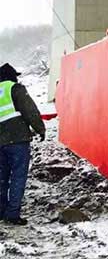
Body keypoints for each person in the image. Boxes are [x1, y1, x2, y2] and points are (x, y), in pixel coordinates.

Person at [0, 63, 46, 225]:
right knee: (18, 176)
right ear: (11, 76)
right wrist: (40, 129)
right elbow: (30, 110)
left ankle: (1, 210)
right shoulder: (15, 88)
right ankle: (12, 214)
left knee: (2, 177)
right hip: (17, 140)